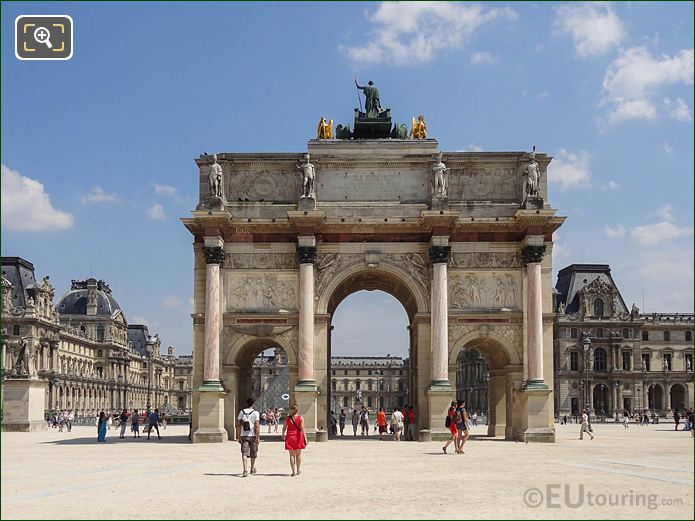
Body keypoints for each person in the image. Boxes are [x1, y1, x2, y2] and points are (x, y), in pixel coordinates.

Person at [237, 397, 261, 477]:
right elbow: (257, 426)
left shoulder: (242, 412)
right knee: (253, 453)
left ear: (246, 404)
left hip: (244, 435)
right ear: (253, 404)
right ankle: (252, 467)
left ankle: (245, 470)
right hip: (253, 435)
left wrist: (238, 436)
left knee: (244, 453)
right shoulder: (256, 413)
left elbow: (238, 425)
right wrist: (258, 437)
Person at [282, 403, 307, 477]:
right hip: (298, 437)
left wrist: (283, 434)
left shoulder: (287, 418)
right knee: (298, 454)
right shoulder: (300, 418)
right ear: (297, 410)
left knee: (291, 455)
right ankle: (298, 470)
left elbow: (284, 427)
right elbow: (302, 428)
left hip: (290, 437)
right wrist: (305, 438)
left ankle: (293, 472)